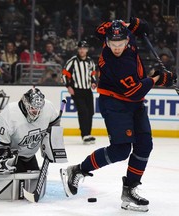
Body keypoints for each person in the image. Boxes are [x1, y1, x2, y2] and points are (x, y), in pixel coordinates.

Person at [60, 18, 176, 212]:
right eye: (112, 44)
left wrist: (135, 25)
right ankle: (78, 170)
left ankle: (129, 189)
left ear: (126, 39)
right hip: (115, 103)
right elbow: (136, 91)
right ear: (107, 42)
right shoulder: (115, 63)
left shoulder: (123, 34)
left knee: (145, 144)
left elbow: (109, 29)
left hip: (134, 104)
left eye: (120, 43)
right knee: (121, 150)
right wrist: (157, 78)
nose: (116, 47)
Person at [61, 40, 97, 144]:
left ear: (87, 50)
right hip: (77, 91)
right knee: (83, 111)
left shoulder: (90, 61)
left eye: (84, 48)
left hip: (87, 90)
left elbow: (92, 74)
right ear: (78, 49)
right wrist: (68, 86)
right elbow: (64, 73)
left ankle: (88, 133)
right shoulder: (72, 61)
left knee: (90, 112)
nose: (82, 50)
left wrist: (93, 82)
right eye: (80, 48)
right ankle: (84, 135)